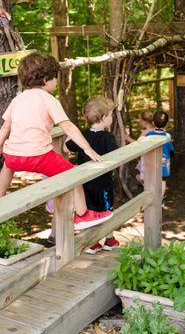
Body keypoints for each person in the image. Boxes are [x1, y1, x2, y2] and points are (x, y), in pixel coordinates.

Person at [0, 53, 112, 230]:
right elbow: (68, 127)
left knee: (8, 165)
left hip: (12, 155)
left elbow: (6, 126)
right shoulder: (49, 100)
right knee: (73, 174)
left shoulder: (18, 98)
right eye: (55, 78)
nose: (57, 82)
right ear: (45, 80)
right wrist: (87, 148)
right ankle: (82, 215)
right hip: (39, 156)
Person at [64, 96, 120, 254]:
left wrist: (71, 134)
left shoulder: (82, 136)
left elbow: (67, 148)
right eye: (110, 115)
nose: (112, 118)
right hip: (103, 183)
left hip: (85, 183)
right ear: (103, 118)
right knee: (106, 211)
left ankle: (92, 243)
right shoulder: (108, 138)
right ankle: (109, 240)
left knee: (88, 212)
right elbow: (116, 155)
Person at [144, 111, 174, 197]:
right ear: (167, 124)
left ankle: (153, 197)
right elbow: (171, 149)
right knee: (162, 180)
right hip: (164, 163)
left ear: (153, 123)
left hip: (152, 162)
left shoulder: (149, 135)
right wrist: (172, 156)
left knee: (152, 179)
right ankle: (160, 198)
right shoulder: (167, 136)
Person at [125, 110, 155, 183]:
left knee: (145, 177)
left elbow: (138, 145)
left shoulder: (145, 133)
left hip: (147, 158)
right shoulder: (154, 130)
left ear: (144, 122)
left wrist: (127, 138)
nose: (139, 121)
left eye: (140, 120)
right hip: (154, 156)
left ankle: (149, 189)